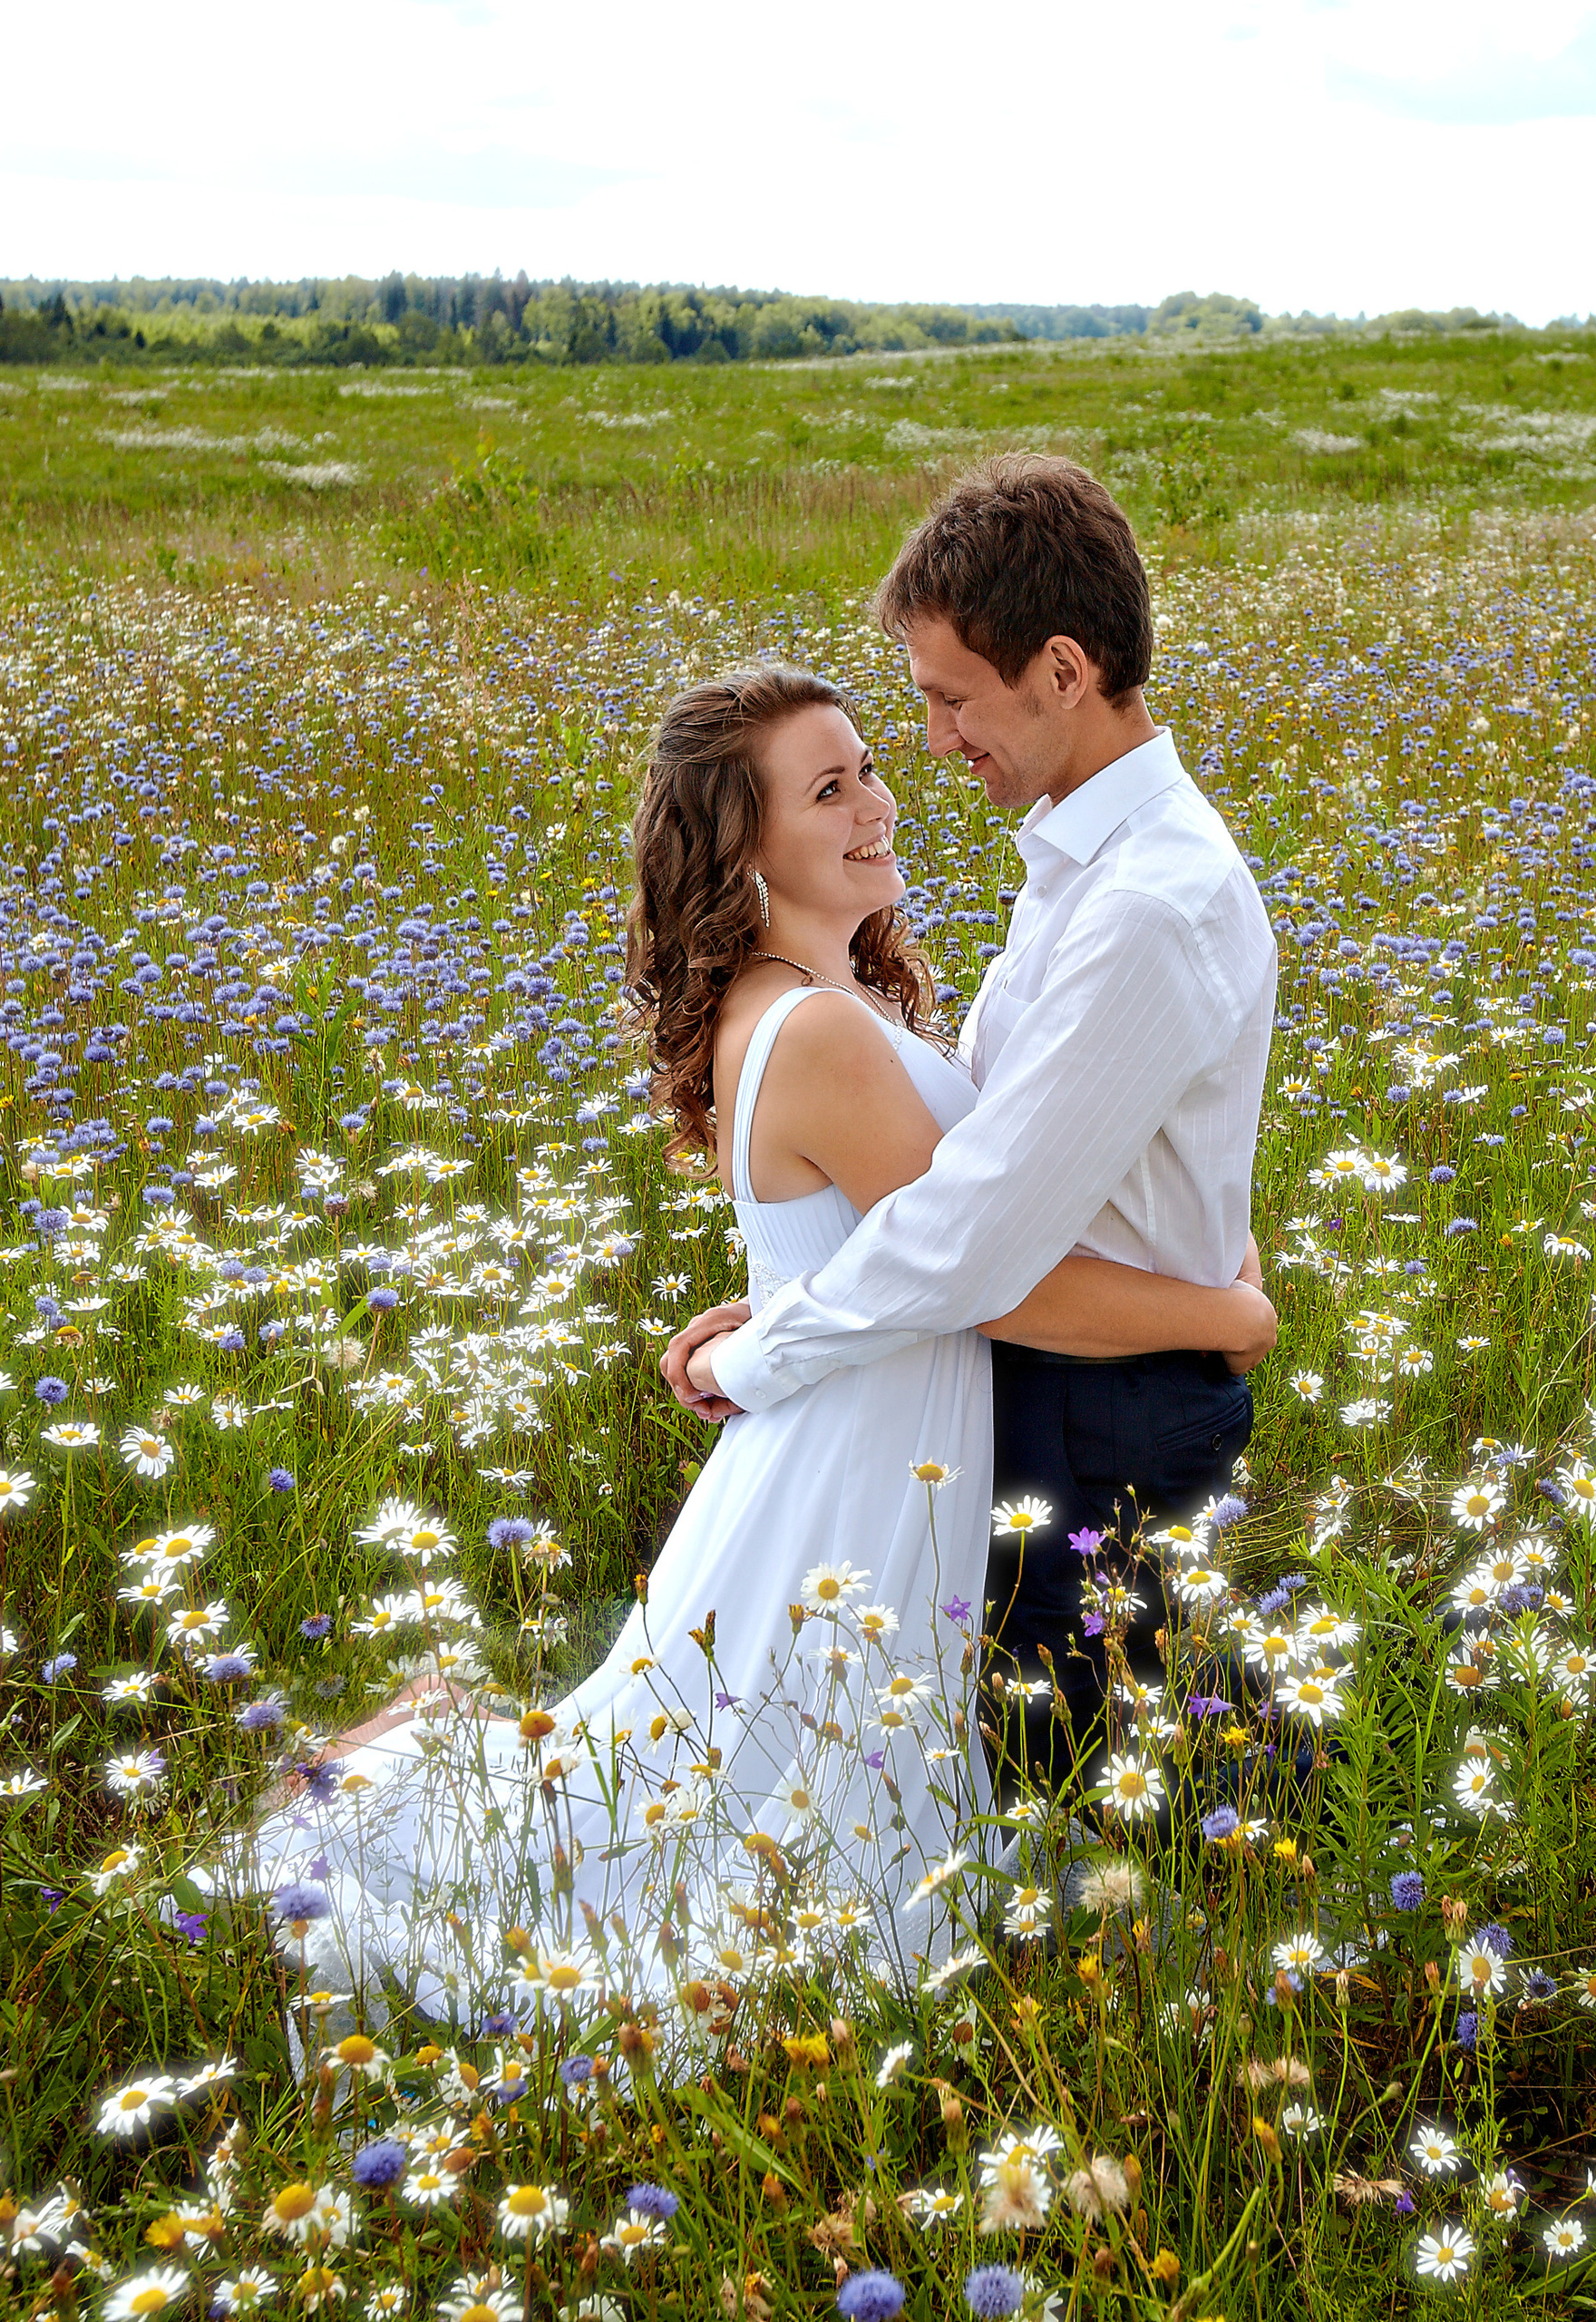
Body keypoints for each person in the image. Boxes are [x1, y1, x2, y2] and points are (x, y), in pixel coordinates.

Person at [238, 661, 1271, 2018]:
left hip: (867, 1411)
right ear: (742, 850)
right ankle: (397, 1806)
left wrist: (784, 1306)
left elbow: (911, 1239)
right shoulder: (826, 1033)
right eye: (827, 790)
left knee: (774, 1755)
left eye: (868, 769)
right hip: (861, 1449)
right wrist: (1229, 1309)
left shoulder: (827, 1006)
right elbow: (986, 1277)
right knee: (749, 1795)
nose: (877, 805)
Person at [666, 454, 1276, 1797]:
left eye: (948, 698)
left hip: (1105, 1406)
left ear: (1062, 669)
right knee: (1062, 1773)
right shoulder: (1080, 863)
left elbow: (976, 1239)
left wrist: (775, 1345)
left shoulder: (1142, 906)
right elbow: (989, 1168)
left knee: (1113, 1803)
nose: (935, 742)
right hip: (1055, 1380)